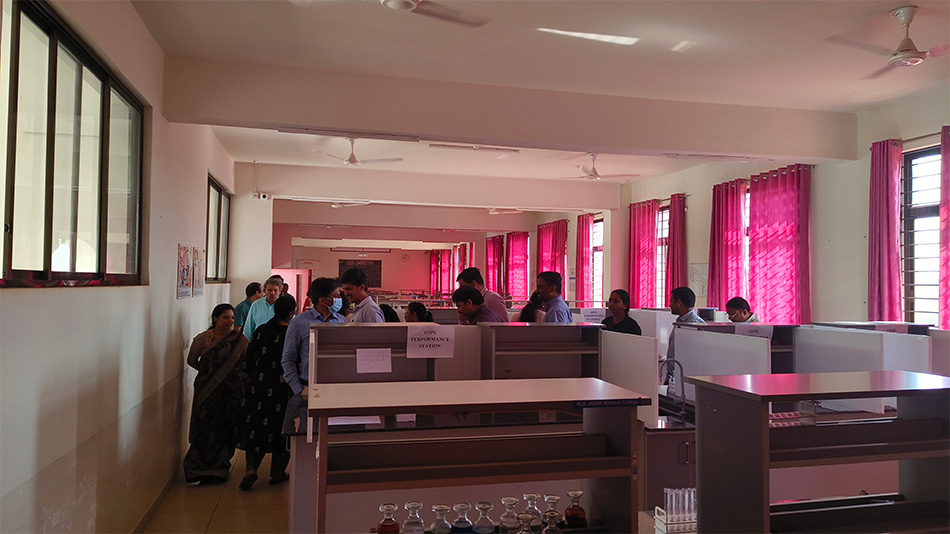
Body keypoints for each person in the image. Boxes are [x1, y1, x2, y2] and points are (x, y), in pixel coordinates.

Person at [183, 303, 248, 484]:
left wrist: (229, 376)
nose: (230, 321)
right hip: (206, 391)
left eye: (232, 318)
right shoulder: (203, 339)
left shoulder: (239, 341)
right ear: (215, 319)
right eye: (226, 317)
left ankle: (220, 468)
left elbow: (245, 362)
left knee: (226, 426)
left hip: (231, 392)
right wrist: (210, 374)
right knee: (204, 427)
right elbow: (191, 360)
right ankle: (199, 469)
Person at [239, 295, 296, 490]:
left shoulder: (261, 330)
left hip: (259, 385)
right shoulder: (293, 334)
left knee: (256, 425)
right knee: (283, 429)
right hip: (284, 387)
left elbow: (248, 360)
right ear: (292, 313)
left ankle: (251, 469)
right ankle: (277, 472)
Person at [281, 278, 348, 434]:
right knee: (307, 434)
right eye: (336, 295)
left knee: (333, 434)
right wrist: (298, 390)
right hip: (308, 389)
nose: (340, 299)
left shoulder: (341, 321)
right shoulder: (299, 323)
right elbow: (288, 359)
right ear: (322, 300)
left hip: (336, 390)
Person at [667, 286, 705, 359]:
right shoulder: (680, 321)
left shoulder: (694, 324)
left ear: (679, 302)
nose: (670, 305)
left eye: (671, 301)